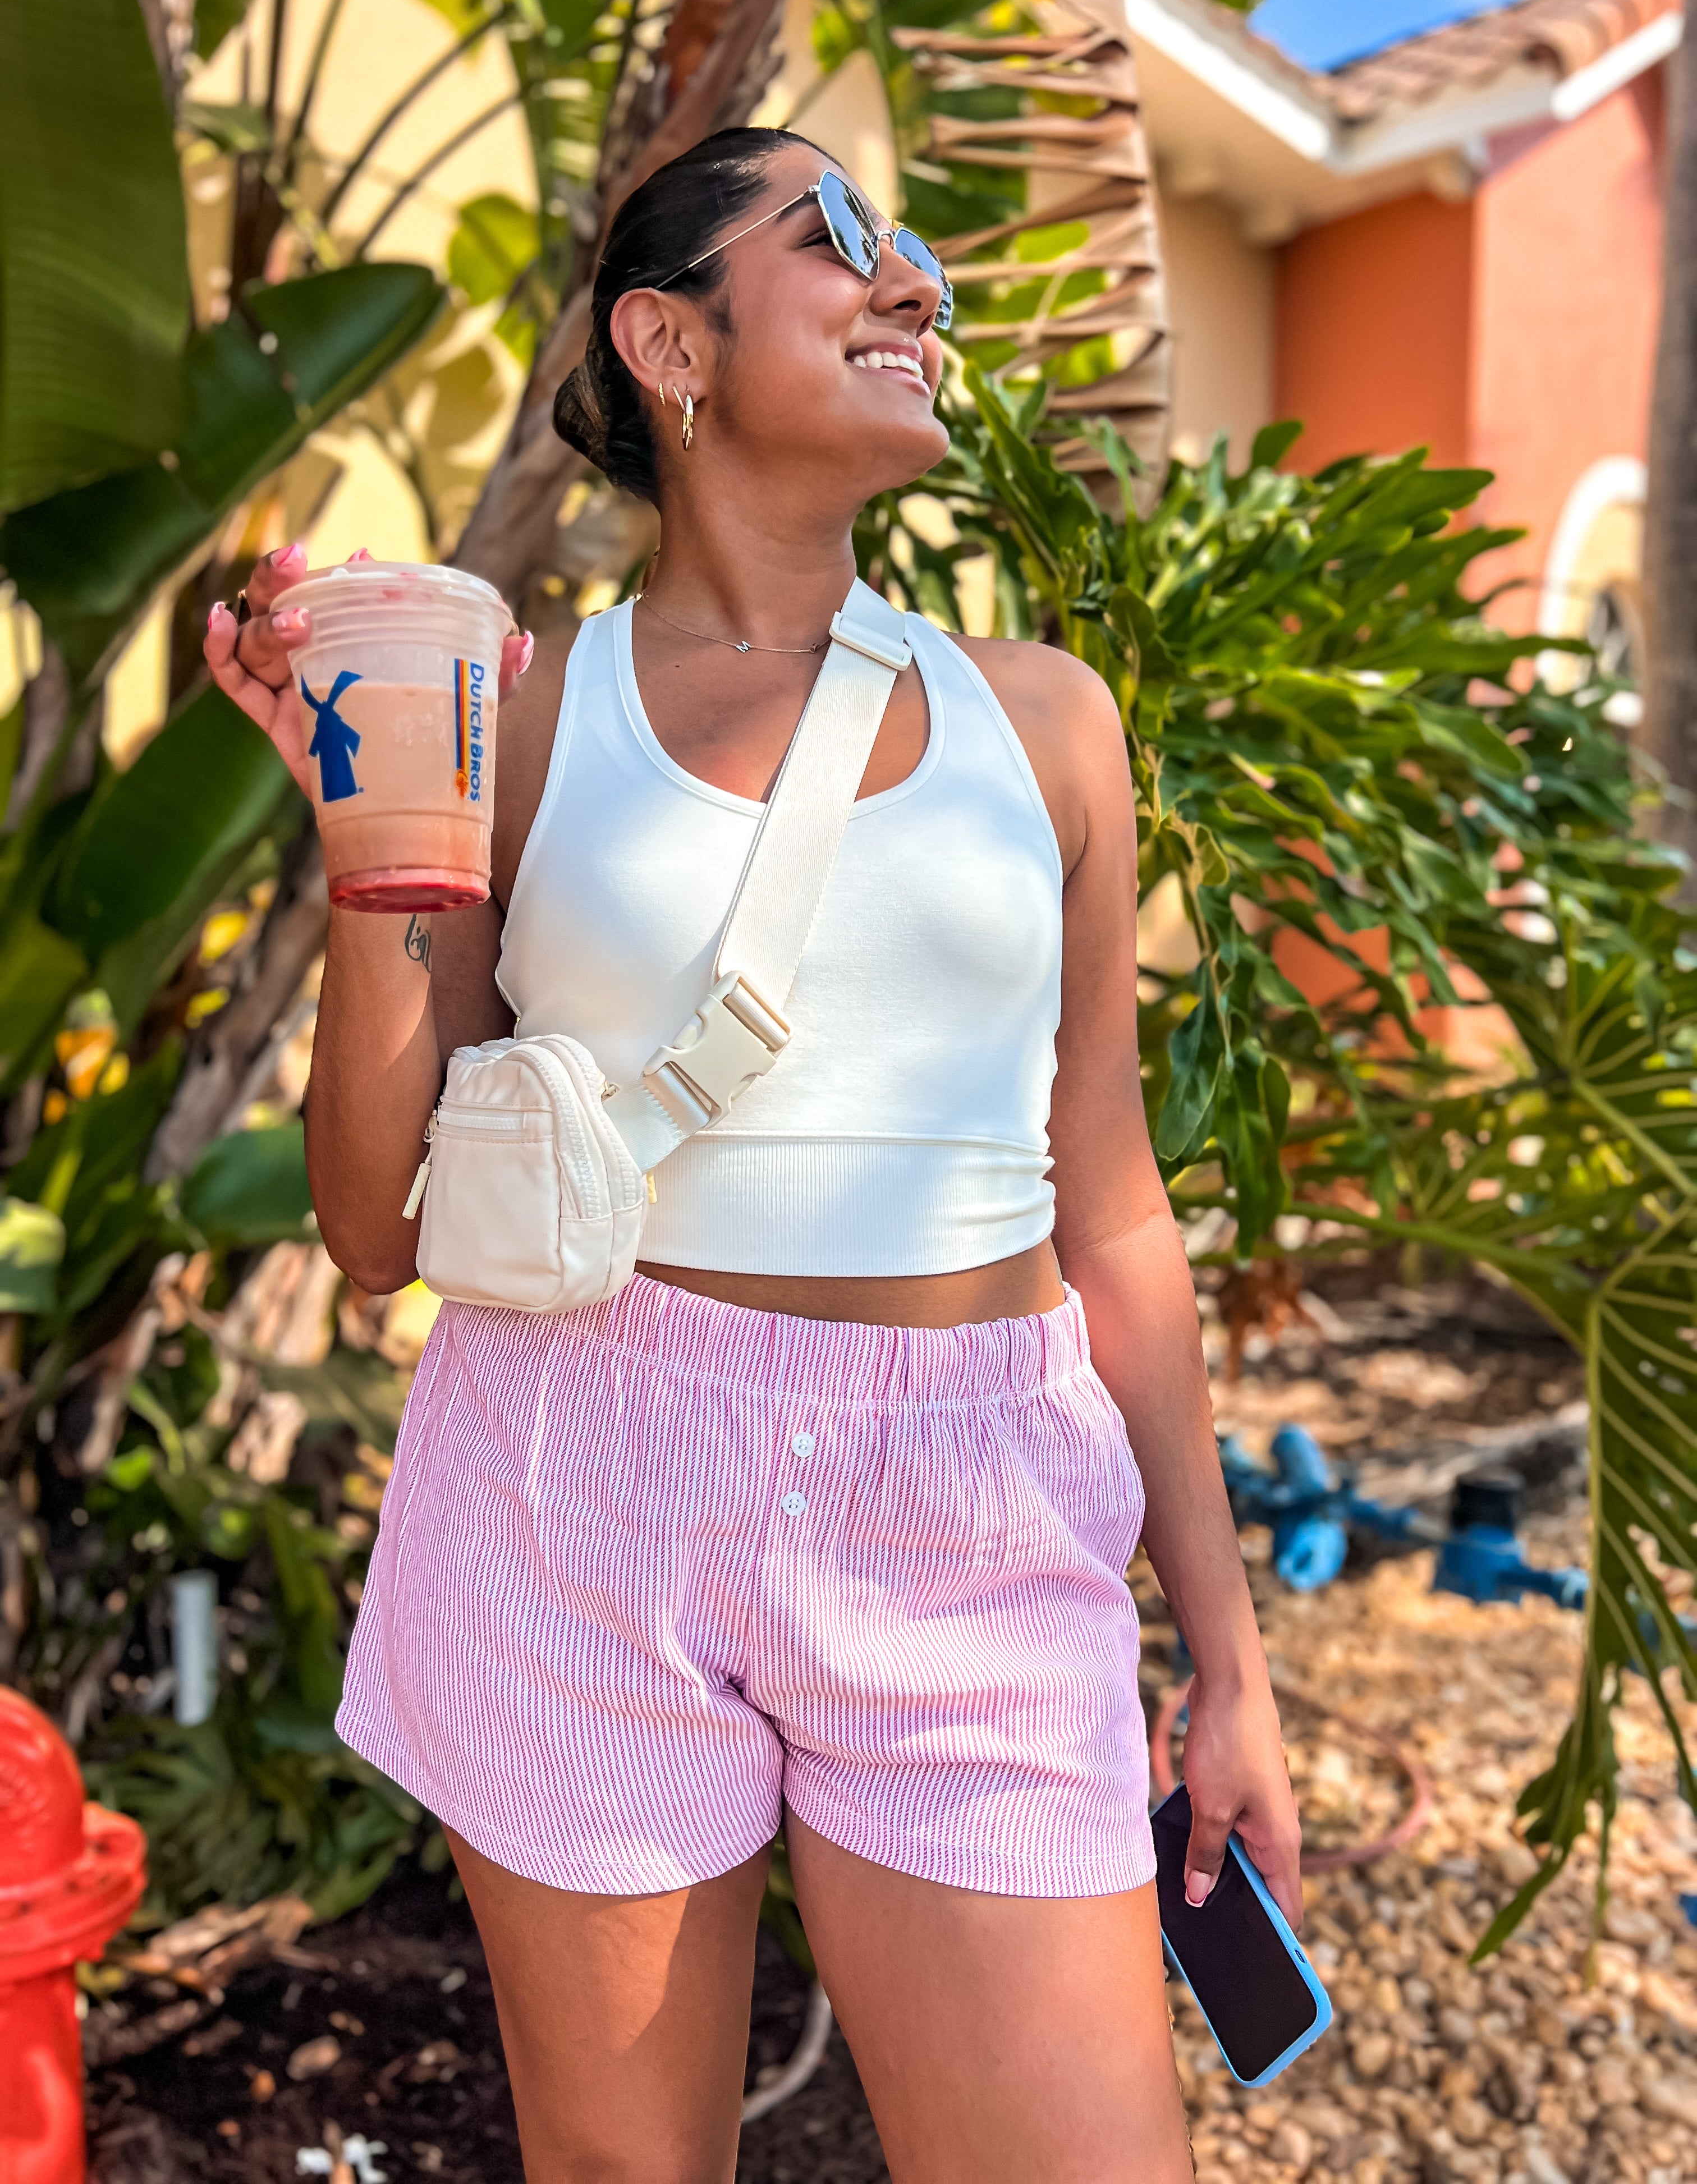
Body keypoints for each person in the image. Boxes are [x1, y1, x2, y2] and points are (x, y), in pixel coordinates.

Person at [208, 126, 1301, 2184]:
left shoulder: (1048, 725)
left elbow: (1119, 1212)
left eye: (917, 260)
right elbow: (372, 1230)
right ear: (669, 342)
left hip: (971, 1505)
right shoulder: (517, 715)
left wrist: (1224, 1664)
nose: (922, 288)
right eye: (847, 242)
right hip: (582, 1468)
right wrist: (379, 843)